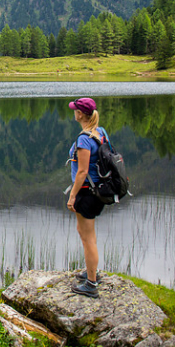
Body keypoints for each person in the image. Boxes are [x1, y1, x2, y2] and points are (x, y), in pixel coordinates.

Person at [66, 97, 106, 298]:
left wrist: (72, 196)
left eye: (75, 110)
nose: (74, 112)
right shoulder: (100, 132)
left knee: (88, 238)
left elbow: (82, 171)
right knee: (86, 234)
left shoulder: (83, 139)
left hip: (86, 192)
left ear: (80, 114)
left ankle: (91, 284)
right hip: (98, 191)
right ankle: (92, 272)